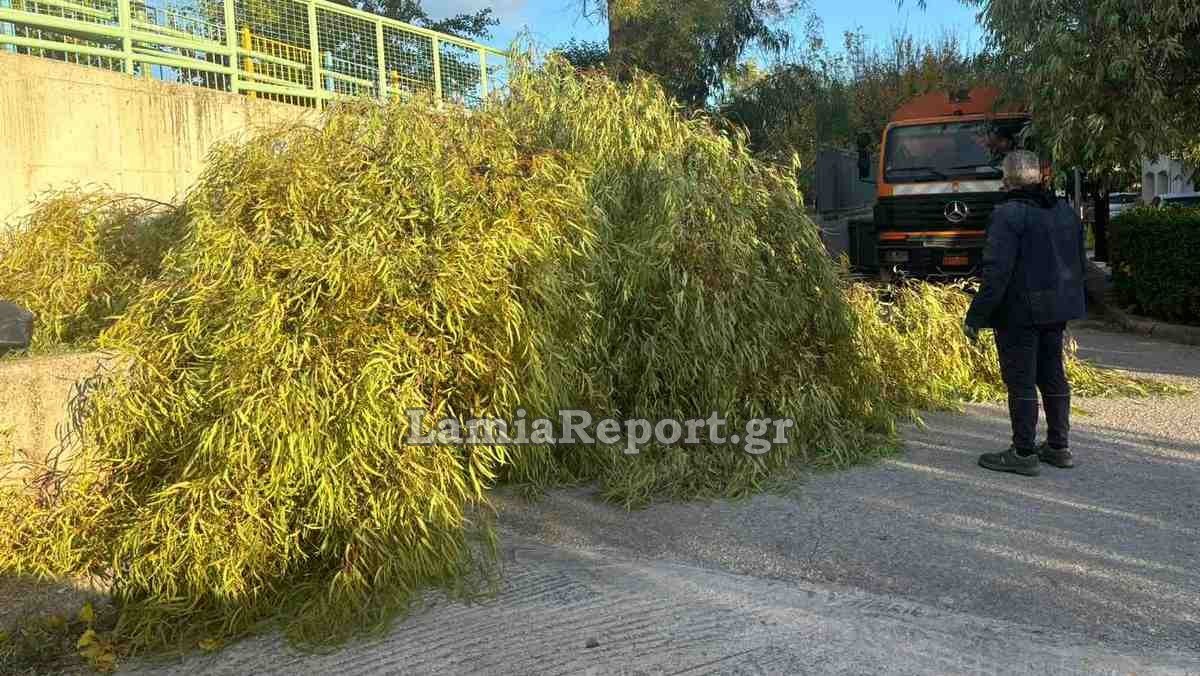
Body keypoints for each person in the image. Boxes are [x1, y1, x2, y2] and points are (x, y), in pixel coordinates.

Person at [963, 150, 1088, 477]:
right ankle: (1059, 447)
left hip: (1020, 311)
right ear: (1039, 176)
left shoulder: (1008, 215)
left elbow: (996, 272)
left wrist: (976, 316)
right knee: (1052, 374)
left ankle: (1022, 452)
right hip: (1056, 308)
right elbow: (1078, 261)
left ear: (1006, 180)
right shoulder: (1064, 211)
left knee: (1021, 380)